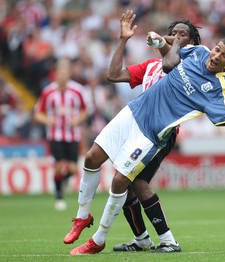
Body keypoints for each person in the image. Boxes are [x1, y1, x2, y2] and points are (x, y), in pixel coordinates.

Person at [68, 9, 225, 256]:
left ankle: (99, 239)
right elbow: (166, 51)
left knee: (123, 180)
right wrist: (150, 37)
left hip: (152, 132)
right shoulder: (198, 52)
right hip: (133, 112)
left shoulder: (216, 90)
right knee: (92, 158)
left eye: (224, 55)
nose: (217, 55)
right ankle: (82, 217)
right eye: (217, 49)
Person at [63, 10, 201, 253]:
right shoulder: (151, 66)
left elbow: (171, 64)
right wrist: (123, 39)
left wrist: (167, 43)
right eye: (174, 33)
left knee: (127, 180)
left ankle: (165, 240)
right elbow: (113, 75)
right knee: (121, 176)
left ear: (190, 42)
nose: (177, 37)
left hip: (160, 132)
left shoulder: (191, 66)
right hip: (135, 121)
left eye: (183, 35)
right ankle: (143, 239)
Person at [34, 58, 88, 210]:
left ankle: (61, 181)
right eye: (60, 72)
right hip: (55, 135)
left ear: (69, 74)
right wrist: (48, 120)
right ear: (55, 74)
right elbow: (38, 114)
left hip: (73, 135)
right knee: (58, 166)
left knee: (72, 169)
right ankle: (59, 196)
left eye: (65, 72)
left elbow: (85, 111)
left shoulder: (78, 91)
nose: (63, 75)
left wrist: (77, 120)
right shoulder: (48, 92)